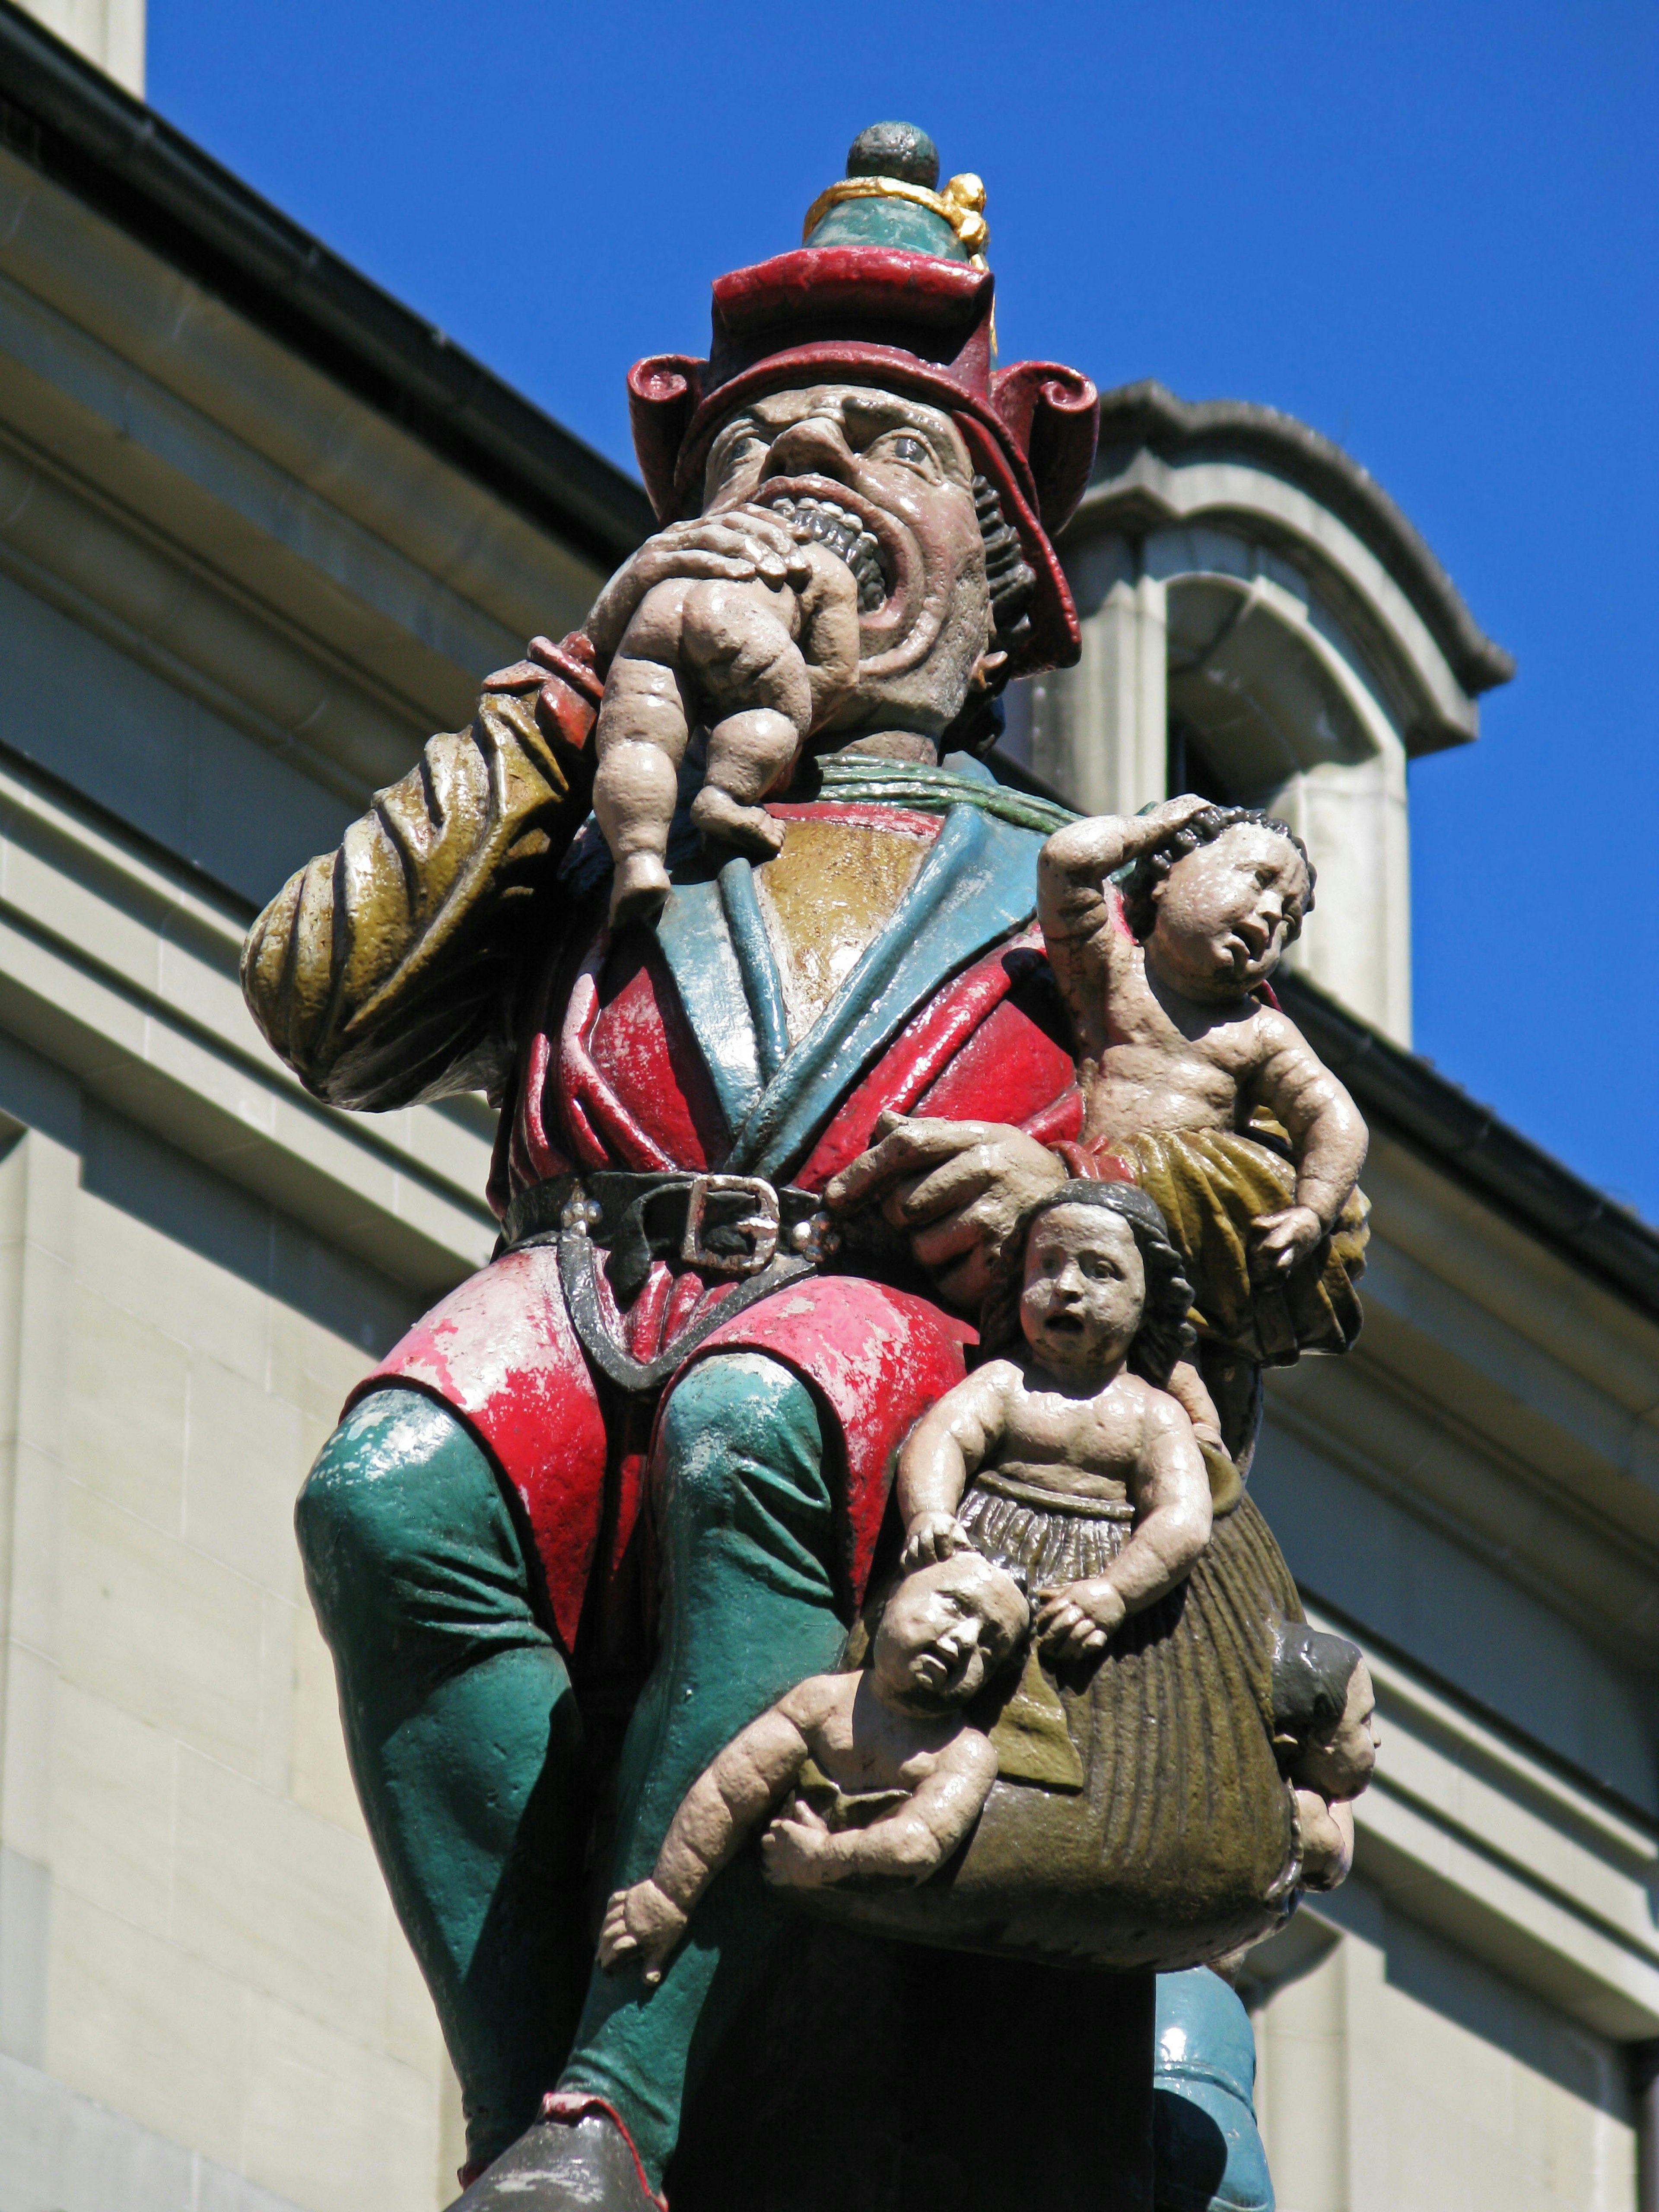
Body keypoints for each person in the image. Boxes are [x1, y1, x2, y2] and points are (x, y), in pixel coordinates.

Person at [249, 122, 1105, 2209]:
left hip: (866, 1320)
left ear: (992, 580)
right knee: (389, 1487)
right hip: (589, 1271)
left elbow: (1239, 1188)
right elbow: (319, 996)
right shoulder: (587, 807)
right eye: (756, 451)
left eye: (877, 447)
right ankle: (531, 2087)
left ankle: (618, 2091)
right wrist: (572, 694)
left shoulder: (1070, 877)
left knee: (754, 1416)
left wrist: (1093, 1214)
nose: (799, 481)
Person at [1036, 796, 1371, 1473]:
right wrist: (1151, 828)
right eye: (1257, 878)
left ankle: (1197, 1440)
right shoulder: (1113, 972)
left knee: (1172, 1332)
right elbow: (1066, 864)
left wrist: (1311, 1210)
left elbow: (1333, 1120)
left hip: (1177, 1217)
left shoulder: (1260, 1033)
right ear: (1165, 875)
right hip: (1090, 1191)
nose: (1274, 914)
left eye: (1292, 918)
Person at [597, 1551, 1028, 1985]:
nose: (966, 1639)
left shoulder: (964, 1753)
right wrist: (669, 1895)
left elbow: (915, 1845)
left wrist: (822, 1859)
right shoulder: (821, 1702)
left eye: (990, 1646)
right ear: (893, 1597)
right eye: (955, 1605)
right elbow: (728, 1792)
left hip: (876, 1966)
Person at [897, 1180, 1213, 1661]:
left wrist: (1116, 1592)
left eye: (1101, 1271)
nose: (1065, 1286)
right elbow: (944, 1438)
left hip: (1087, 1600)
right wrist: (930, 1512)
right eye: (1046, 1265)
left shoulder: (1155, 1414)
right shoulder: (1004, 1383)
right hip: (971, 1568)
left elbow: (1182, 1517)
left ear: (1147, 1299)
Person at [592, 518, 862, 925]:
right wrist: (782, 741)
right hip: (732, 617)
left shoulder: (717, 530)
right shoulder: (825, 566)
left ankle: (638, 861)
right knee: (780, 712)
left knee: (637, 740)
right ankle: (724, 799)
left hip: (662, 608)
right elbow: (837, 672)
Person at [1270, 1623, 1379, 1890]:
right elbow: (1334, 1856)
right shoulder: (1307, 1818)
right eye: (1364, 1722)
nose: (1377, 1739)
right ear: (1320, 1742)